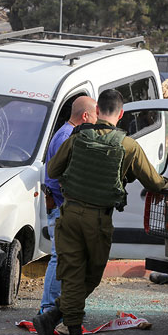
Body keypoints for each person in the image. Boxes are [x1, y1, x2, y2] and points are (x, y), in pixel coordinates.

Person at [33, 89, 168, 335]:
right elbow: (154, 183)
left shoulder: (77, 137)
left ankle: (52, 318)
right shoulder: (128, 145)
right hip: (97, 221)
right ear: (120, 114)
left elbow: (52, 171)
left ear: (99, 111)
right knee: (90, 277)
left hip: (69, 216)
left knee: (74, 277)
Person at [40, 96, 97, 316]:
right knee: (60, 257)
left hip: (58, 205)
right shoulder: (67, 136)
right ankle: (48, 309)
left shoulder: (64, 133)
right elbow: (63, 175)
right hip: (61, 206)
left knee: (61, 257)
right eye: (93, 116)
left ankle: (52, 308)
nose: (95, 121)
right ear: (85, 116)